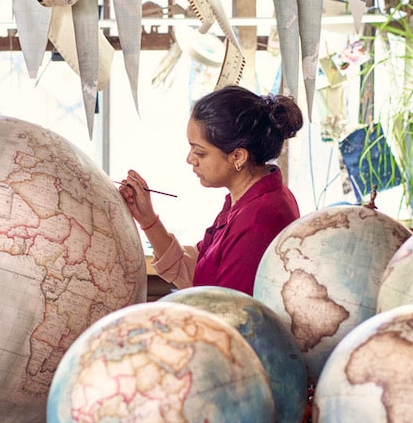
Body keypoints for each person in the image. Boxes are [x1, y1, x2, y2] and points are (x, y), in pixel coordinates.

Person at [119, 85, 304, 296]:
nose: (190, 160)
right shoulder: (244, 200)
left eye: (200, 152)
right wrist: (147, 219)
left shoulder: (259, 218)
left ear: (238, 157)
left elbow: (230, 312)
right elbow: (194, 271)